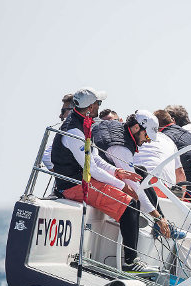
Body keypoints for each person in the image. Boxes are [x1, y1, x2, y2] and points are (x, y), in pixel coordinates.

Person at [50, 87, 148, 272]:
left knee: (132, 202)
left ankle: (131, 261)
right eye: (98, 104)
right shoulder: (75, 132)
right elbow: (91, 169)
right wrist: (122, 186)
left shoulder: (84, 124)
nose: (100, 106)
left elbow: (95, 159)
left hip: (83, 181)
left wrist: (118, 172)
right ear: (90, 107)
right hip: (73, 185)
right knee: (129, 205)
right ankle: (131, 263)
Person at [91, 110, 172, 239]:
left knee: (141, 172)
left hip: (99, 167)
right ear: (136, 128)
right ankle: (132, 258)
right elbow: (135, 188)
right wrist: (157, 216)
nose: (148, 141)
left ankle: (160, 220)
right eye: (147, 136)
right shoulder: (121, 148)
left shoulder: (119, 128)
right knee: (133, 202)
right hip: (95, 175)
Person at [156, 109, 191, 188]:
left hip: (190, 187)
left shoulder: (164, 137)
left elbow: (179, 172)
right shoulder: (187, 132)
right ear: (172, 120)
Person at [133, 110, 186, 188]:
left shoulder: (126, 140)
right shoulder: (168, 140)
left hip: (140, 186)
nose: (148, 141)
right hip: (165, 191)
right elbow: (180, 175)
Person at [42, 93, 74, 170]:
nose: (60, 115)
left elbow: (46, 157)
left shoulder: (67, 127)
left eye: (63, 111)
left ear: (72, 111)